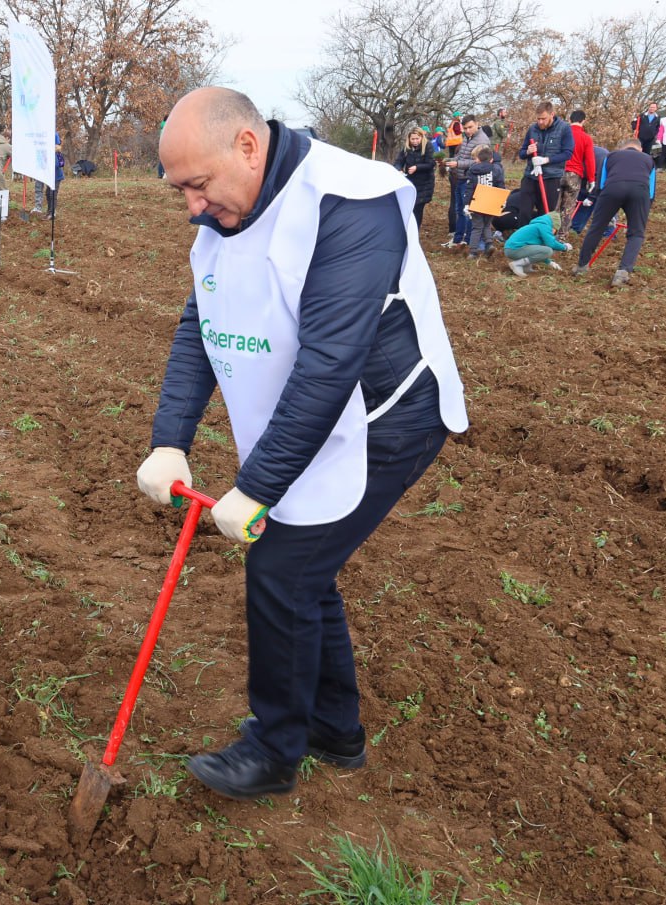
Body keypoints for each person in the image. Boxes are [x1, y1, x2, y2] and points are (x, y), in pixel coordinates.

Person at [142, 87, 466, 801]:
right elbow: (201, 323)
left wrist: (257, 487)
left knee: (284, 567)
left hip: (389, 415)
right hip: (324, 408)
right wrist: (170, 439)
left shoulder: (352, 203)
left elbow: (329, 365)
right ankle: (334, 728)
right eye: (181, 191)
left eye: (197, 185)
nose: (192, 207)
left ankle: (275, 747)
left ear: (248, 148)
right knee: (303, 566)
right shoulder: (224, 219)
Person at [572, 139, 655, 288]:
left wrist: (604, 210)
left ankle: (581, 267)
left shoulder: (611, 156)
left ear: (622, 147)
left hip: (612, 189)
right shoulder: (648, 159)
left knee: (596, 228)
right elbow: (651, 191)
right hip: (639, 192)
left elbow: (601, 183)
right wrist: (643, 210)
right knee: (636, 234)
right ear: (640, 149)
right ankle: (623, 272)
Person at [516, 102, 573, 219]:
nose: (540, 122)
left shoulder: (564, 129)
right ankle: (524, 236)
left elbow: (567, 153)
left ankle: (541, 235)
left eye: (543, 118)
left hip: (551, 178)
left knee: (545, 213)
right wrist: (528, 151)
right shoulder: (532, 129)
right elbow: (521, 154)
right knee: (524, 212)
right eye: (538, 119)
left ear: (552, 114)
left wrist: (546, 160)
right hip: (530, 176)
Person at [442, 114, 488, 248]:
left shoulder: (482, 140)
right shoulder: (467, 138)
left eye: (470, 127)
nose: (467, 130)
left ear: (477, 124)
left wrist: (458, 164)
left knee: (467, 212)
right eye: (465, 128)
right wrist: (450, 161)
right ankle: (457, 239)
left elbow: (478, 162)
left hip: (470, 180)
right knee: (459, 211)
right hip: (460, 178)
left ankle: (467, 241)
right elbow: (461, 156)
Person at [557, 110, 596, 234]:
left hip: (557, 172)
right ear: (583, 121)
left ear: (569, 120)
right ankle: (562, 236)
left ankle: (548, 233)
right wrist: (591, 179)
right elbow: (590, 160)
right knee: (568, 208)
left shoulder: (561, 134)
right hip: (574, 175)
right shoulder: (586, 138)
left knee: (554, 205)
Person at [465, 144, 504, 260]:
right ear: (491, 159)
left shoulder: (472, 170)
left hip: (477, 202)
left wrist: (467, 204)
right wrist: (502, 201)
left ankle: (472, 252)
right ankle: (489, 244)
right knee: (487, 225)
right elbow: (501, 186)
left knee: (477, 227)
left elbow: (469, 188)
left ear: (478, 159)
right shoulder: (497, 169)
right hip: (491, 201)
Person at [504, 211, 571, 276]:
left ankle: (526, 268)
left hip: (511, 249)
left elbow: (537, 251)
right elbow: (551, 244)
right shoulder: (544, 226)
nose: (553, 233)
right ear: (553, 226)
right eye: (555, 230)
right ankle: (517, 264)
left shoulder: (538, 225)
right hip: (514, 249)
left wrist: (550, 262)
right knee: (548, 250)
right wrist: (564, 247)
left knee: (542, 249)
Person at [394, 128, 436, 229]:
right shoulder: (406, 148)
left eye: (417, 138)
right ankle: (407, 229)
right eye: (413, 139)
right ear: (409, 139)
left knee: (417, 208)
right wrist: (399, 169)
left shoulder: (428, 146)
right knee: (408, 208)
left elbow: (431, 163)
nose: (415, 141)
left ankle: (415, 231)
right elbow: (398, 161)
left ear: (421, 137)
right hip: (410, 182)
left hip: (425, 184)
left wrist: (417, 167)